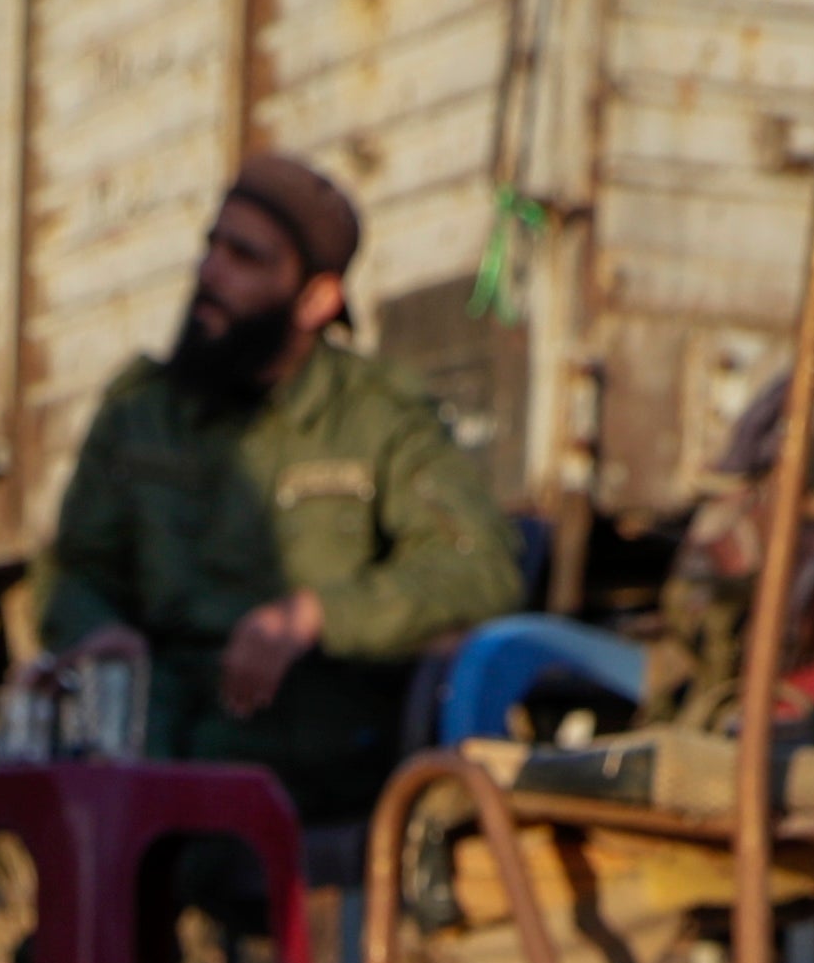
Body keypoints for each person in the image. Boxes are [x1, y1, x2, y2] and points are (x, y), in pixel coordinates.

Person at [26, 156, 519, 839]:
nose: (212, 274)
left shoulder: (376, 416)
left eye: (246, 258)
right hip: (153, 732)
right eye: (212, 248)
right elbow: (74, 569)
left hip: (311, 750)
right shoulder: (140, 412)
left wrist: (318, 615)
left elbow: (479, 569)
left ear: (317, 299)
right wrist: (97, 632)